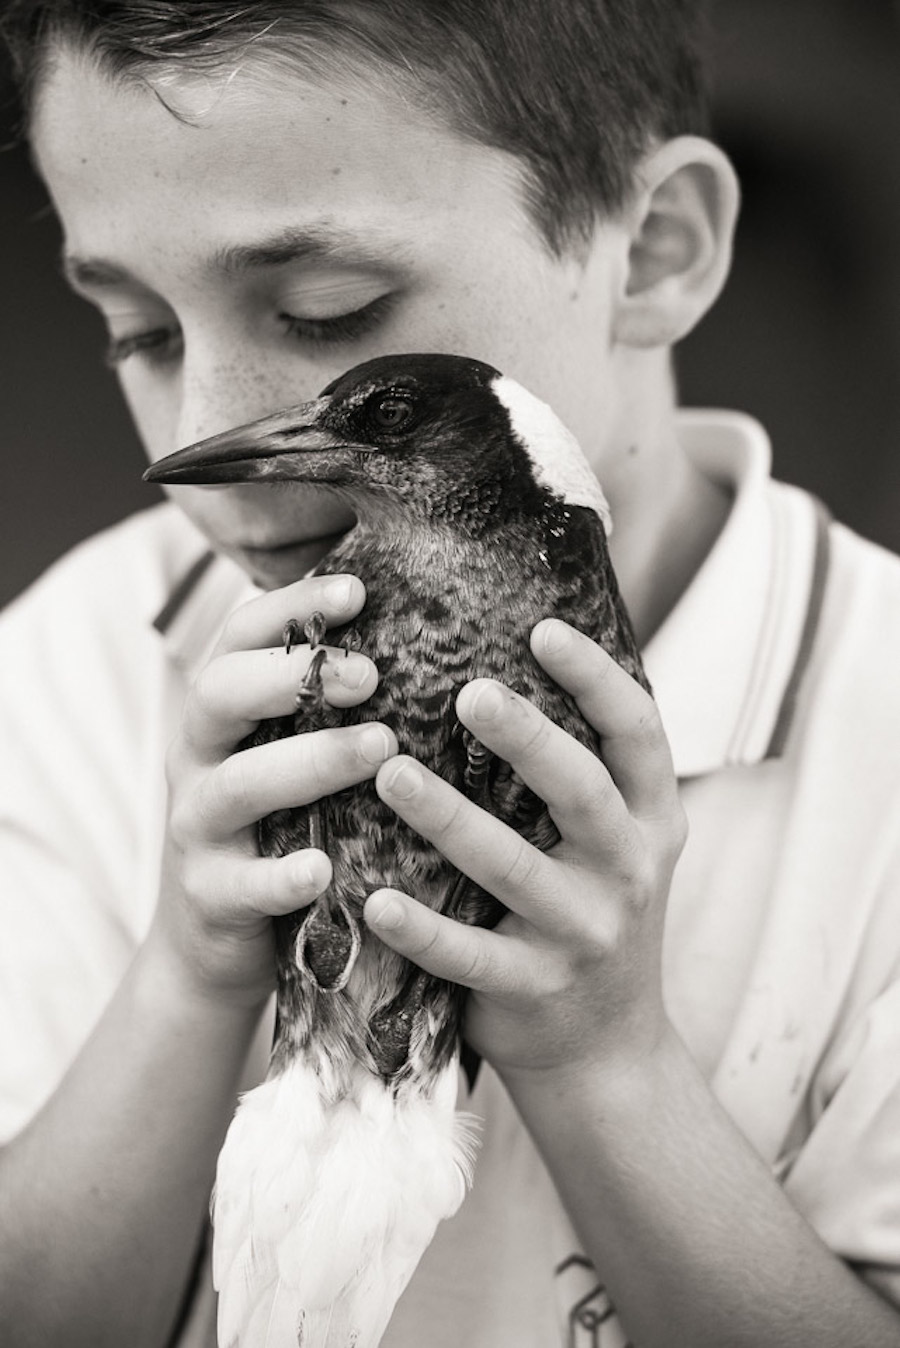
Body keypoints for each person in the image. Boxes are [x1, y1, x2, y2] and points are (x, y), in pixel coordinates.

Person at [1, 2, 899, 1346]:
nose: (205, 436)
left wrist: (608, 1065)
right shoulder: (66, 667)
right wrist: (188, 982)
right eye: (139, 331)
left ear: (654, 250)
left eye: (325, 313)